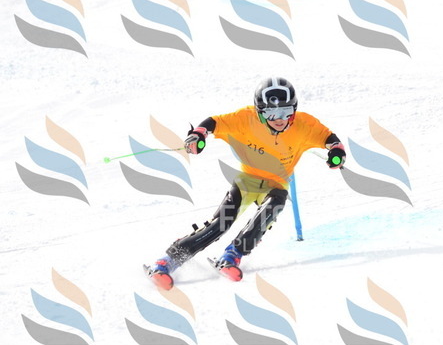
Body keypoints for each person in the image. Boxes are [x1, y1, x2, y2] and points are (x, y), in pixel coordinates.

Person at [144, 77, 346, 289]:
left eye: (286, 111)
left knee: (272, 208)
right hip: (247, 181)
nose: (280, 119)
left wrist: (337, 152)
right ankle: (166, 262)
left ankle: (233, 254)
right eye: (271, 113)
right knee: (220, 225)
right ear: (259, 112)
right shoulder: (246, 119)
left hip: (276, 183)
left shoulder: (304, 125)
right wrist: (198, 134)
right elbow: (214, 122)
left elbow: (330, 139)